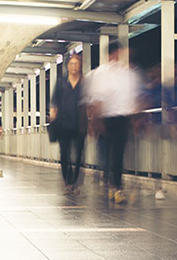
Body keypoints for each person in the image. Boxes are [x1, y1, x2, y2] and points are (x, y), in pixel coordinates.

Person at [84, 48, 143, 205]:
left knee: (118, 153)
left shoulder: (127, 74)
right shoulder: (101, 73)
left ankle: (116, 186)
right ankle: (110, 182)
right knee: (106, 154)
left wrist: (135, 119)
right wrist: (95, 122)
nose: (119, 56)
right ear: (111, 54)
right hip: (105, 119)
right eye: (117, 53)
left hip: (122, 118)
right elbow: (96, 98)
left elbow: (133, 98)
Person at [50, 54, 86, 194]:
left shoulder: (84, 82)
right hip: (63, 123)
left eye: (76, 64)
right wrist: (53, 113)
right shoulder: (61, 82)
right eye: (71, 64)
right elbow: (54, 100)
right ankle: (67, 181)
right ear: (67, 66)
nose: (74, 66)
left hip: (80, 123)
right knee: (64, 153)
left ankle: (75, 181)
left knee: (78, 155)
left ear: (80, 66)